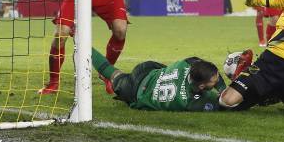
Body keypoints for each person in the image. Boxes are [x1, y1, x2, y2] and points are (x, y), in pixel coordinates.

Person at [91, 48, 225, 112]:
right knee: (114, 75)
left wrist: (221, 88)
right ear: (201, 86)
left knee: (113, 72)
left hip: (148, 69)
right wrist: (224, 92)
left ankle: (81, 37)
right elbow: (224, 103)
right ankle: (84, 42)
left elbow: (201, 63)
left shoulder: (187, 64)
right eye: (214, 81)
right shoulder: (189, 102)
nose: (218, 79)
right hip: (135, 91)